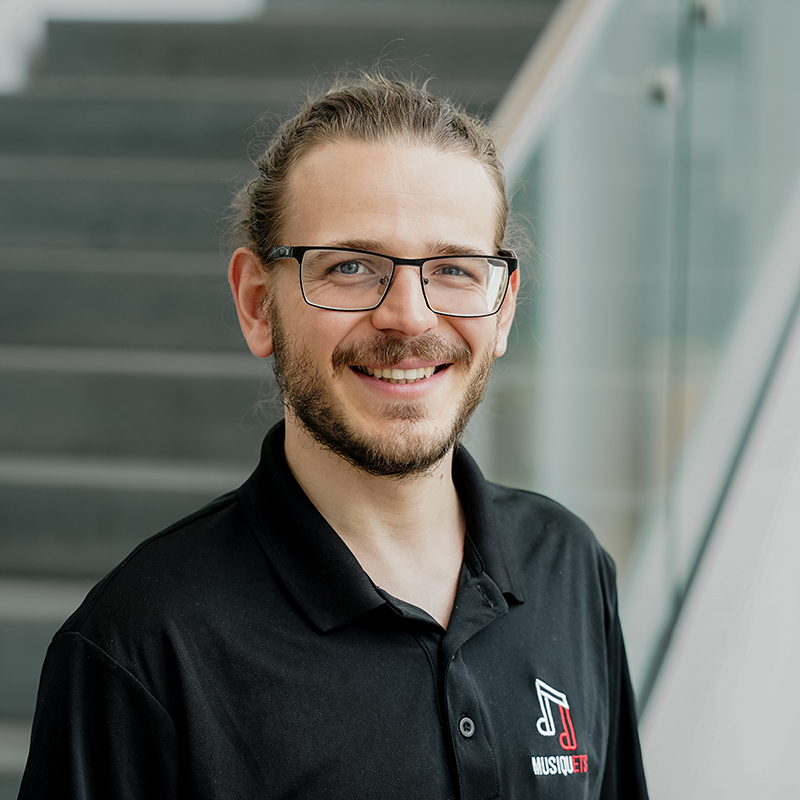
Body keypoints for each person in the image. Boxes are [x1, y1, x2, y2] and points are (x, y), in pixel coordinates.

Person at [19, 73, 649, 799]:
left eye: (452, 269)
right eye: (351, 267)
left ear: (503, 309)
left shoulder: (569, 566)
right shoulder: (143, 647)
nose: (410, 318)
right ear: (259, 305)